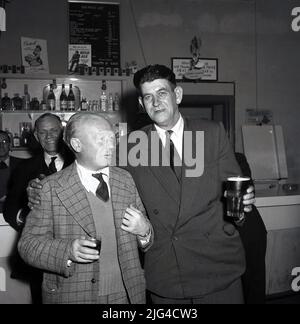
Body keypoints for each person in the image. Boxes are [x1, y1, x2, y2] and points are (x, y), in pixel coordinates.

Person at [121, 64, 255, 304]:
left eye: (162, 93)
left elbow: (234, 194)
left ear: (178, 95)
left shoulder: (211, 133)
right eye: (148, 97)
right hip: (167, 270)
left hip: (216, 265)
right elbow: (114, 191)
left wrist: (242, 207)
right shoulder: (134, 144)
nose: (156, 103)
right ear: (142, 104)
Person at [18, 113, 153, 304]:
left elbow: (147, 237)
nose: (111, 145)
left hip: (127, 294)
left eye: (112, 138)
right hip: (75, 295)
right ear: (77, 145)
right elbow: (28, 246)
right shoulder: (51, 188)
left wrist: (144, 231)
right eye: (101, 139)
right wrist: (68, 251)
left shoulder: (125, 179)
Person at [4, 113, 74, 231]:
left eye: (54, 131)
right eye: (43, 132)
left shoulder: (78, 163)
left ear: (63, 132)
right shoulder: (24, 168)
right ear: (36, 136)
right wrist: (27, 219)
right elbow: (10, 207)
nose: (48, 136)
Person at [235, 152, 267, 304]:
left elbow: (247, 187)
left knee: (253, 288)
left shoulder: (236, 158)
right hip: (225, 236)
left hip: (248, 231)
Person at [0, 130, 22, 212]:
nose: (1, 145)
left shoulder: (24, 165)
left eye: (4, 141)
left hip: (16, 214)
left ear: (9, 145)